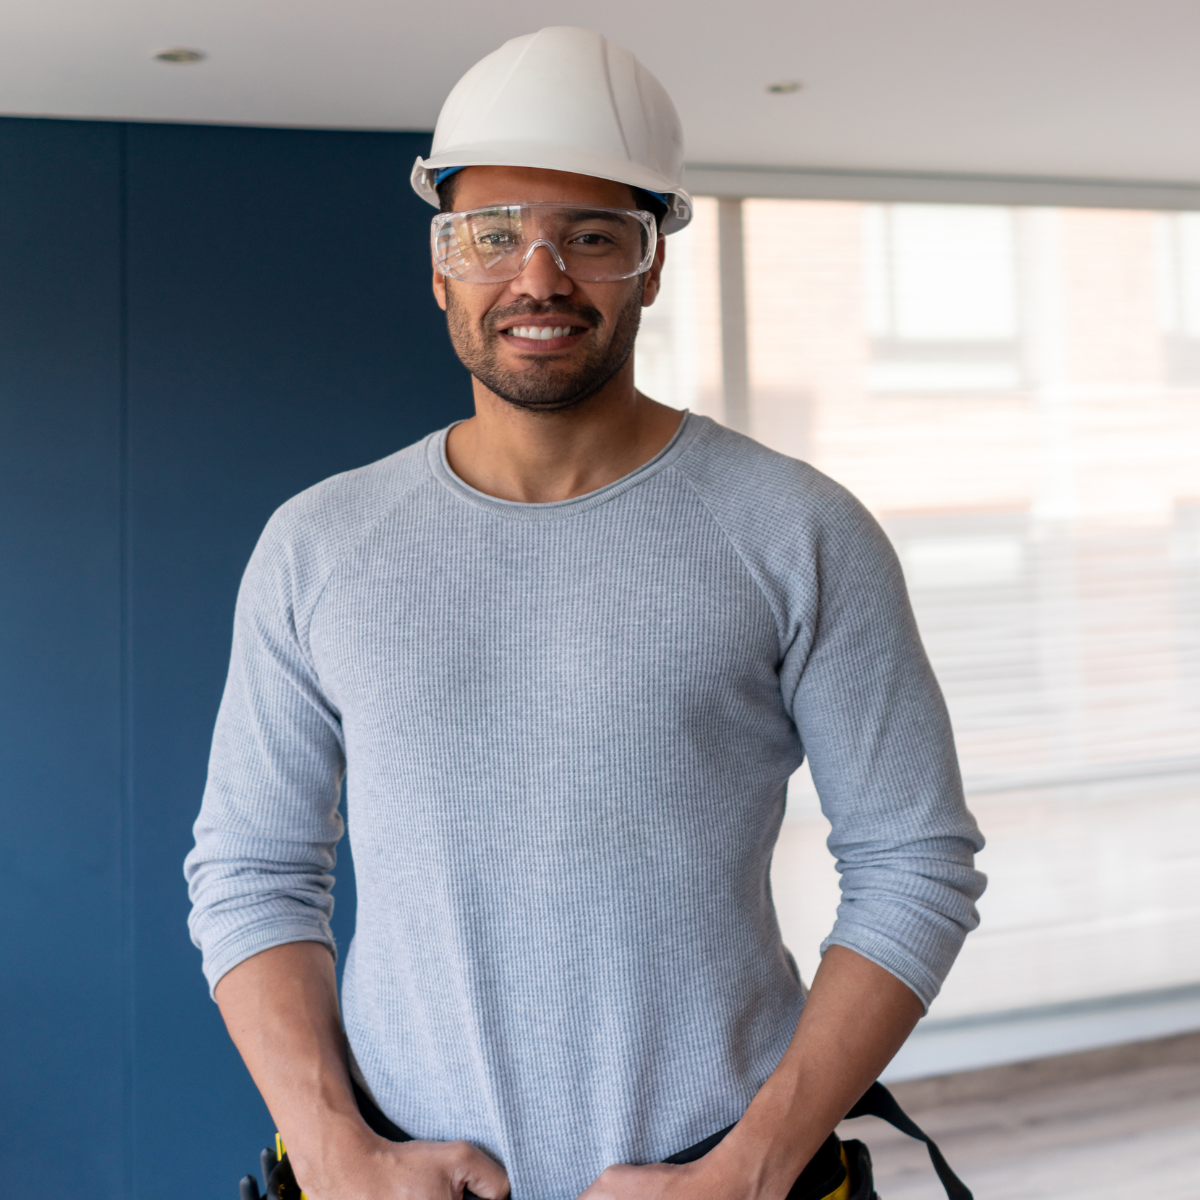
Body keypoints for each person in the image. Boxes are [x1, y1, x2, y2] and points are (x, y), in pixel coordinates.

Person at [186, 26, 985, 1200]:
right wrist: (334, 1150)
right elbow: (251, 869)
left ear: (653, 263)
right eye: (492, 235)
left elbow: (916, 865)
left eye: (593, 238)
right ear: (440, 263)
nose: (540, 277)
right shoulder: (320, 544)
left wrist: (754, 1171)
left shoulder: (798, 530)